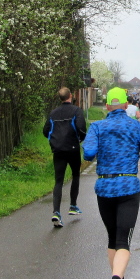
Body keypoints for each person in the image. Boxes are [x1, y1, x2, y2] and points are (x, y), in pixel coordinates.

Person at [83, 87, 140, 279]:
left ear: (107, 106)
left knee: (113, 238)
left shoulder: (97, 127)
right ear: (126, 105)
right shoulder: (137, 127)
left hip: (104, 188)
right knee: (123, 240)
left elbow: (88, 153)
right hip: (128, 188)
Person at [43, 87, 87, 227]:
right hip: (72, 148)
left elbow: (45, 131)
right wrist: (80, 139)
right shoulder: (76, 111)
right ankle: (73, 206)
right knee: (75, 175)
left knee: (59, 181)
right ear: (71, 96)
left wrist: (54, 140)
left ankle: (56, 212)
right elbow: (81, 128)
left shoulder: (53, 113)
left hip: (58, 150)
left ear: (60, 98)